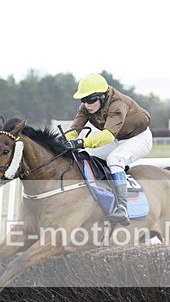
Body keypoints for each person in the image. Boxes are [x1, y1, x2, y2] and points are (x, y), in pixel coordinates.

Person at [64, 73, 153, 225]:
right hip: (119, 138)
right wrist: (64, 141)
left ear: (103, 97)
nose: (87, 104)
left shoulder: (117, 104)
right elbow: (75, 128)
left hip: (139, 138)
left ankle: (122, 207)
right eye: (83, 100)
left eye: (91, 100)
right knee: (87, 155)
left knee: (114, 159)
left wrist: (81, 142)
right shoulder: (86, 107)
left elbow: (107, 136)